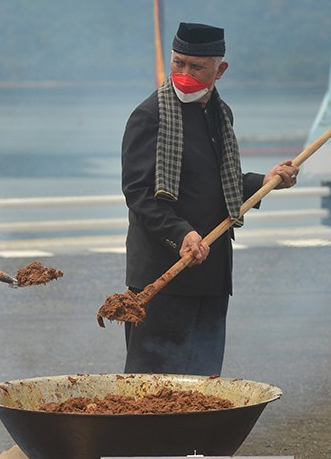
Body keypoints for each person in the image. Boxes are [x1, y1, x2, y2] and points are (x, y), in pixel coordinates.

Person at [120, 22, 299, 376]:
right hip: (163, 274)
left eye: (196, 66)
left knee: (203, 383)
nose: (184, 73)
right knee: (151, 386)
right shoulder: (149, 116)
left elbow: (222, 182)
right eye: (178, 63)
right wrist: (181, 233)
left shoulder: (221, 113)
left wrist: (265, 181)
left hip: (212, 275)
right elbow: (138, 194)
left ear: (220, 70)